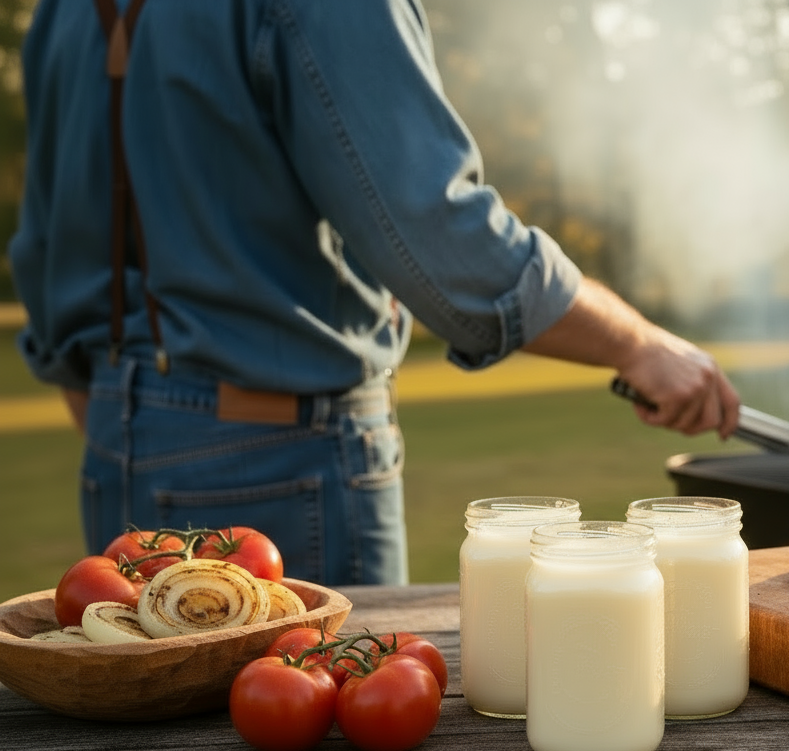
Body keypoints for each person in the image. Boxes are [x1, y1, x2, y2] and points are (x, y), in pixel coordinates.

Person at [8, 0, 739, 586]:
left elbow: (44, 261)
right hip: (280, 464)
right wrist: (635, 342)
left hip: (113, 450)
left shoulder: (61, 13)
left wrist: (137, 421)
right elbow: (440, 237)